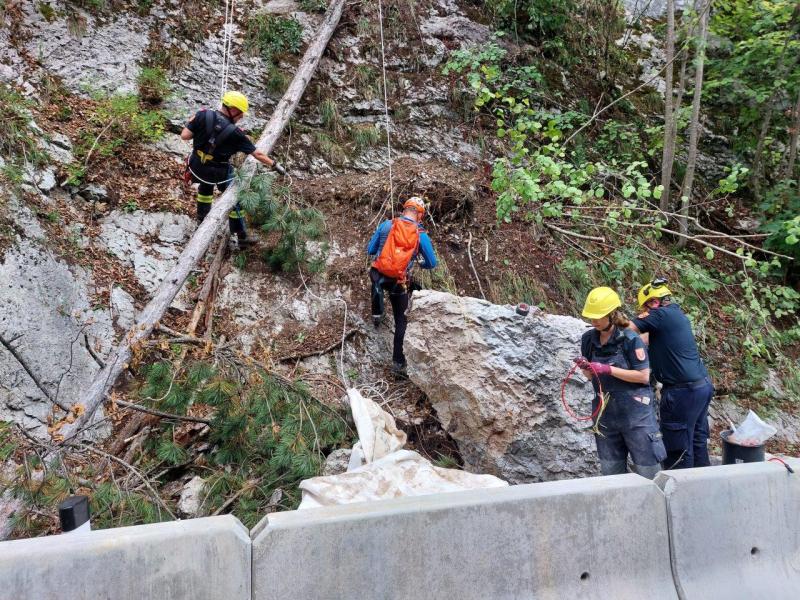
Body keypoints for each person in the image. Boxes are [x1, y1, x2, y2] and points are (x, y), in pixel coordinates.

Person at [577, 286, 666, 480]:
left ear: (611, 314)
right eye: (591, 317)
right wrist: (586, 367)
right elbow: (590, 377)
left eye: (598, 316)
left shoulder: (630, 340)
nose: (594, 321)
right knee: (611, 476)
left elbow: (643, 376)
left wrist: (608, 369)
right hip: (606, 415)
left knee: (649, 474)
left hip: (636, 415)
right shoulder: (588, 340)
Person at [181, 90, 286, 246]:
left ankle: (201, 222)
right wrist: (275, 165)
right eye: (241, 113)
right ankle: (241, 236)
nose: (242, 117)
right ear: (233, 110)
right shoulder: (236, 134)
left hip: (197, 167)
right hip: (218, 173)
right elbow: (257, 153)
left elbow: (184, 136)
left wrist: (192, 121)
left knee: (205, 188)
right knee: (236, 198)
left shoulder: (202, 115)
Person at [629, 279, 714, 470]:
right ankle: (704, 489)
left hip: (682, 393)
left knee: (678, 450)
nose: (644, 311)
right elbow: (648, 338)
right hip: (702, 388)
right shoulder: (676, 315)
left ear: (653, 302)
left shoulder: (658, 315)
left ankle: (681, 494)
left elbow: (627, 329)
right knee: (697, 441)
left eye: (645, 307)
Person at [367, 197, 437, 375]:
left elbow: (370, 250)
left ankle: (377, 314)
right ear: (420, 215)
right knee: (401, 321)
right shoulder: (420, 234)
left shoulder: (387, 225)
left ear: (404, 209)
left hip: (379, 275)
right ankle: (398, 364)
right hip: (399, 282)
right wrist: (418, 261)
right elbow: (431, 263)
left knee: (376, 281)